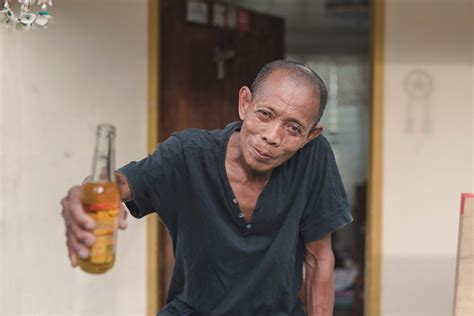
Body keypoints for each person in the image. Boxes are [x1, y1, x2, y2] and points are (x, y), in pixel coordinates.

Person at [61, 60, 352, 316]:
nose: (272, 136)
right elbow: (118, 184)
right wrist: (84, 194)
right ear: (245, 103)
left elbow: (318, 257)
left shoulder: (313, 157)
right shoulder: (188, 154)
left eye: (293, 128)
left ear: (310, 136)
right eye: (265, 114)